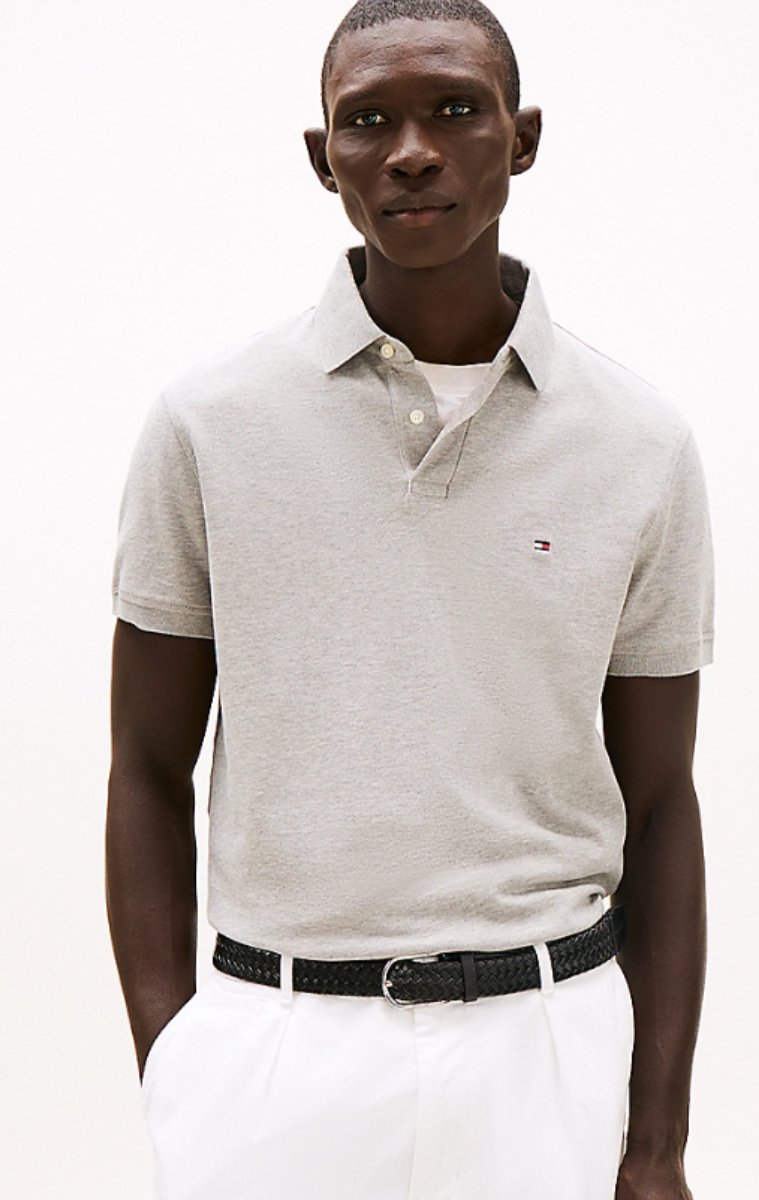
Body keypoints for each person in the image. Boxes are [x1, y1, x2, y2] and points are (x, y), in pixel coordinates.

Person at [106, 2, 715, 1198]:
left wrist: (655, 1143)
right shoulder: (207, 425)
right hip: (274, 1048)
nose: (412, 152)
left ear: (521, 137)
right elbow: (143, 766)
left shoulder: (638, 444)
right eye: (366, 121)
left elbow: (659, 803)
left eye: (453, 110)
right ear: (320, 157)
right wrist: (176, 1066)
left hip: (545, 1045)